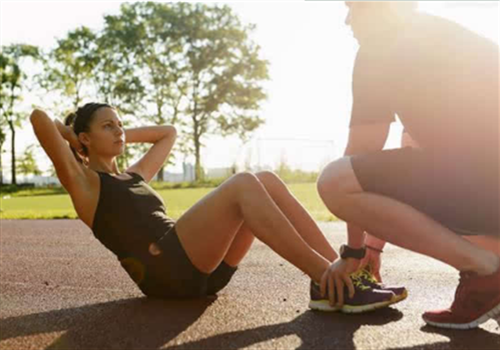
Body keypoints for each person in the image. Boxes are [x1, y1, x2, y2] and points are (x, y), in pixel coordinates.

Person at [30, 103, 401, 313]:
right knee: (241, 185)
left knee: (266, 179)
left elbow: (169, 132)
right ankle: (331, 279)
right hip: (167, 271)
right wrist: (73, 138)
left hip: (203, 272)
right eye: (108, 127)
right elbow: (38, 118)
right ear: (83, 138)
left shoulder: (135, 175)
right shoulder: (86, 185)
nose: (119, 132)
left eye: (120, 125)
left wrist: (116, 131)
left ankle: (340, 276)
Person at [316, 1, 500, 330]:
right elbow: (409, 155)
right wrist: (374, 244)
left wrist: (353, 253)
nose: (347, 20)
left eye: (353, 8)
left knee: (333, 181)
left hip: (485, 184)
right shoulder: (447, 35)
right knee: (415, 147)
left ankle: (487, 273)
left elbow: (359, 154)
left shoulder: (377, 49)